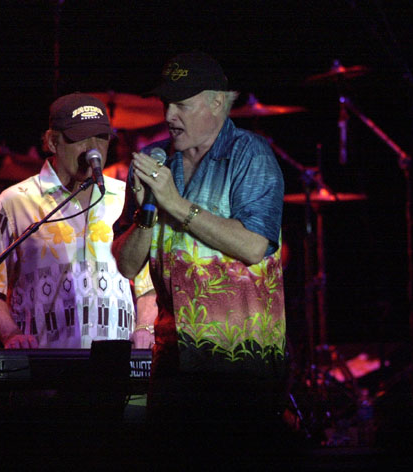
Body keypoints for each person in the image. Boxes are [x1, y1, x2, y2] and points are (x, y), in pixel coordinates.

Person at [112, 51, 289, 461]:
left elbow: (253, 246)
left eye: (182, 104)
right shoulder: (156, 161)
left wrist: (174, 203)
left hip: (241, 362)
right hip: (173, 359)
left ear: (217, 102)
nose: (169, 115)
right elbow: (127, 264)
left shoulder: (250, 155)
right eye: (166, 104)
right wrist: (146, 212)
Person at [0, 92, 155, 351]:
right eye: (81, 137)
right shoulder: (13, 202)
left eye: (101, 137)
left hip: (117, 360)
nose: (93, 148)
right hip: (43, 362)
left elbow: (150, 283)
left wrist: (145, 327)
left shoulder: (127, 196)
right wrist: (11, 334)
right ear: (52, 142)